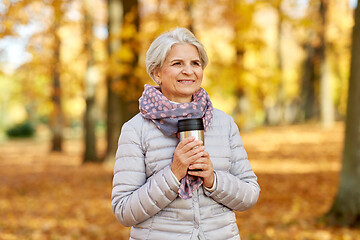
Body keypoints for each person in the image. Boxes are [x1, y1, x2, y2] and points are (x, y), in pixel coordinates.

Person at [111, 27, 260, 240]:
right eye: (177, 63)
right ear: (156, 73)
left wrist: (212, 179)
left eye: (195, 63)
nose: (189, 71)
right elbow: (124, 211)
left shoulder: (224, 123)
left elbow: (250, 195)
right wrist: (173, 174)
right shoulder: (136, 129)